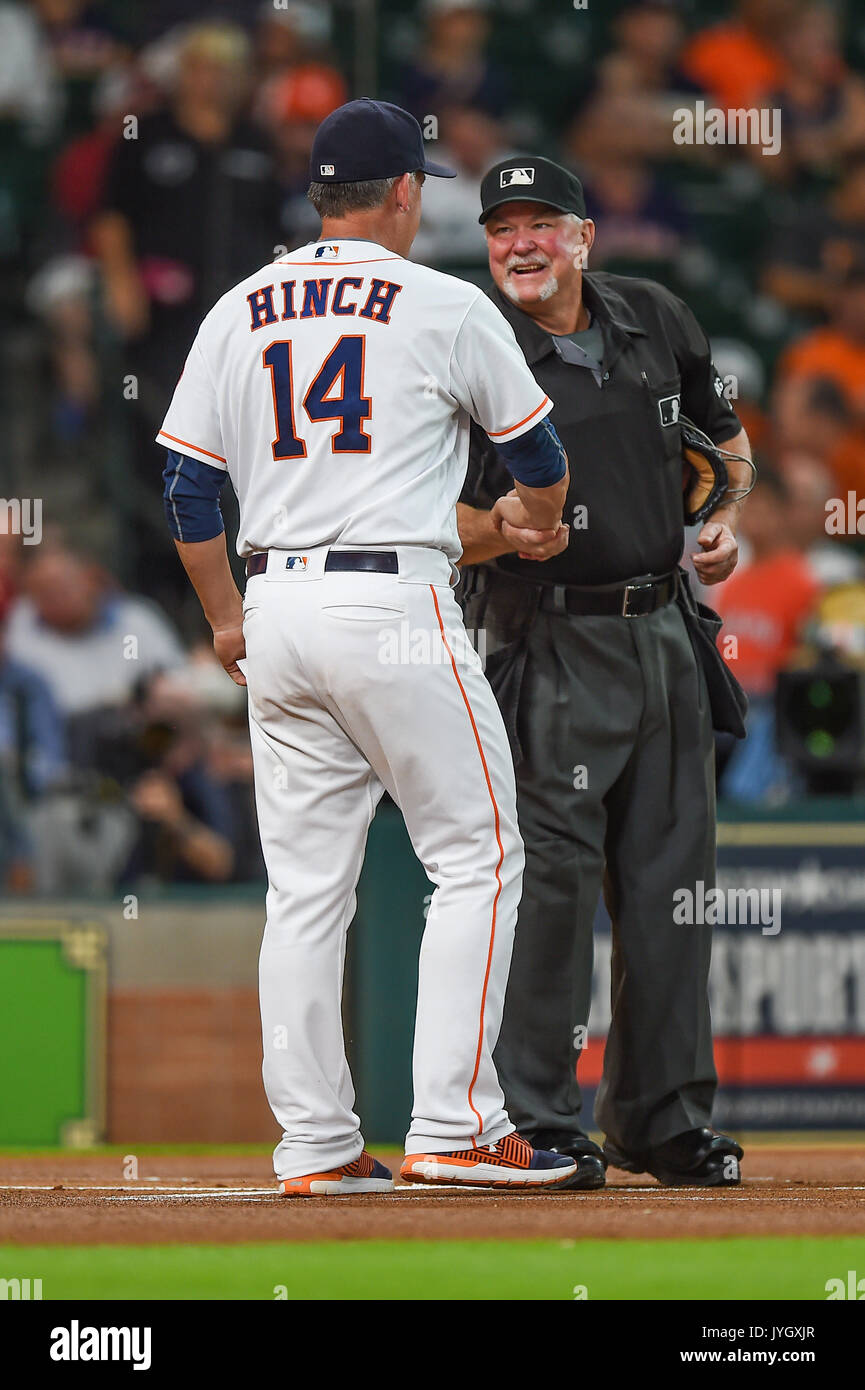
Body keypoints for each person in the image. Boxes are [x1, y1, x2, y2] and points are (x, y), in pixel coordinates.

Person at [157, 99, 577, 1197]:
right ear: (402, 192)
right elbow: (537, 452)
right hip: (393, 599)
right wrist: (535, 517)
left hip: (278, 605)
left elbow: (188, 486)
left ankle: (315, 1145)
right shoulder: (440, 301)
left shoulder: (239, 306)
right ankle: (454, 1124)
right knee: (478, 855)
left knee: (303, 892)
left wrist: (224, 615)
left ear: (317, 194)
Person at [457, 155, 753, 1188]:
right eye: (503, 229)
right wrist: (495, 532)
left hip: (663, 629)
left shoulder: (656, 318)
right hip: (545, 638)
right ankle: (536, 1114)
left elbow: (725, 445)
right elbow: (423, 515)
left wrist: (717, 522)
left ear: (585, 235)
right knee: (548, 892)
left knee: (676, 890)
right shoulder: (468, 340)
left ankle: (661, 1119)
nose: (520, 244)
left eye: (541, 223)